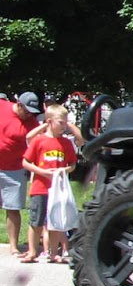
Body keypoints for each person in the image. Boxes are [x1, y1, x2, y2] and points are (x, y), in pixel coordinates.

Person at [22, 103, 77, 263]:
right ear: (49, 121)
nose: (64, 126)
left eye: (66, 122)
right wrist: (42, 172)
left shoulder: (66, 143)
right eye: (61, 122)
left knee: (55, 222)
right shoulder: (39, 141)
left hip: (58, 190)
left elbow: (73, 165)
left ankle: (53, 253)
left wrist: (64, 170)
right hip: (40, 187)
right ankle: (32, 251)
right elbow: (26, 162)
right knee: (36, 221)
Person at [0, 92, 43, 257]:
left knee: (13, 207)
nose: (29, 114)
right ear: (18, 104)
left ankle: (13, 246)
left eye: (32, 112)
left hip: (14, 169)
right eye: (26, 110)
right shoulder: (2, 106)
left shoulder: (31, 123)